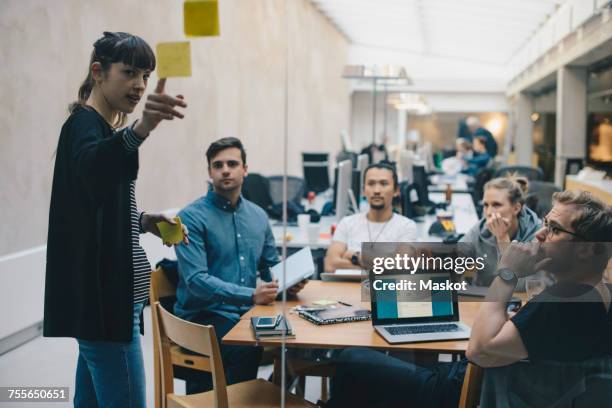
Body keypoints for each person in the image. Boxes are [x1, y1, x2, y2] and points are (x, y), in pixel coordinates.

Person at [325, 190, 611, 408]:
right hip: (489, 384)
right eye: (546, 223)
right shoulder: (596, 292)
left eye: (555, 229)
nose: (539, 233)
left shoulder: (564, 300)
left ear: (587, 249)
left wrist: (507, 273)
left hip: (463, 393)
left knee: (352, 358)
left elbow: (479, 351)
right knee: (405, 355)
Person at [44, 32, 188, 408]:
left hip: (107, 310)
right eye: (129, 73)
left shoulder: (99, 130)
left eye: (146, 75)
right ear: (98, 72)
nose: (140, 85)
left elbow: (93, 204)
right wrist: (141, 128)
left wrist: (142, 221)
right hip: (106, 310)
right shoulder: (84, 126)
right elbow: (95, 168)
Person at [174, 137, 307, 393]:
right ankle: (237, 399)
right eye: (218, 165)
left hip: (245, 313)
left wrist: (288, 282)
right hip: (202, 317)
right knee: (246, 344)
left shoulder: (258, 216)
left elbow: (270, 266)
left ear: (245, 169)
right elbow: (197, 281)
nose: (225, 169)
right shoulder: (190, 217)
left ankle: (259, 396)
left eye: (232, 163)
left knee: (298, 338)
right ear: (210, 172)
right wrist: (251, 295)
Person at [324, 162, 417, 272]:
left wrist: (355, 256)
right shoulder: (347, 223)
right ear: (363, 190)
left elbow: (401, 267)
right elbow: (330, 265)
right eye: (371, 184)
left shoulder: (406, 226)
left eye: (384, 183)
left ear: (396, 190)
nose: (377, 190)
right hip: (346, 287)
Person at [460, 175, 541, 287]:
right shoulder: (482, 227)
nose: (488, 212)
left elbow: (521, 286)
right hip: (482, 299)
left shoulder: (538, 235)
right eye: (486, 205)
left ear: (516, 208)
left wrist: (502, 239)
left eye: (496, 205)